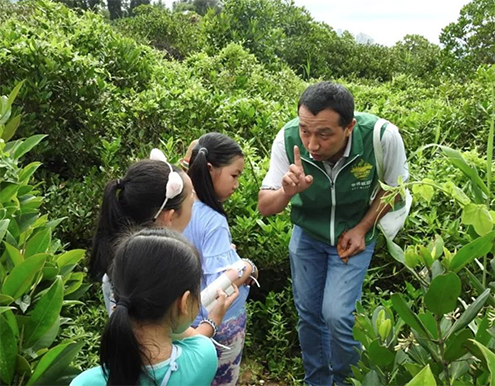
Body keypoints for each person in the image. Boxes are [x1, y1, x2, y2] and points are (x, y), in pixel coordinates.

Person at [257, 81, 409, 386]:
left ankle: (347, 380)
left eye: (324, 134)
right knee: (310, 316)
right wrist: (287, 192)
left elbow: (395, 189)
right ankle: (317, 381)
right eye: (305, 130)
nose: (312, 144)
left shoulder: (381, 137)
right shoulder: (288, 138)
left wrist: (363, 228)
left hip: (351, 238)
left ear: (349, 127)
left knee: (337, 316)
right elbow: (265, 205)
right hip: (307, 238)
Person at [89, 157, 237, 338]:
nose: (195, 202)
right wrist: (214, 319)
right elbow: (187, 338)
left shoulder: (120, 260)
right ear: (169, 216)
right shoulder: (162, 273)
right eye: (191, 202)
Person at [72, 228, 218, 386]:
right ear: (184, 303)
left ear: (115, 297)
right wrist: (212, 321)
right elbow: (195, 337)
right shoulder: (204, 357)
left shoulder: (84, 383)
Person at [183, 132, 259, 386]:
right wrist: (247, 267)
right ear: (210, 169)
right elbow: (221, 288)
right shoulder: (214, 221)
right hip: (218, 322)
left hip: (183, 323)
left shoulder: (178, 208)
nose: (237, 184)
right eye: (234, 175)